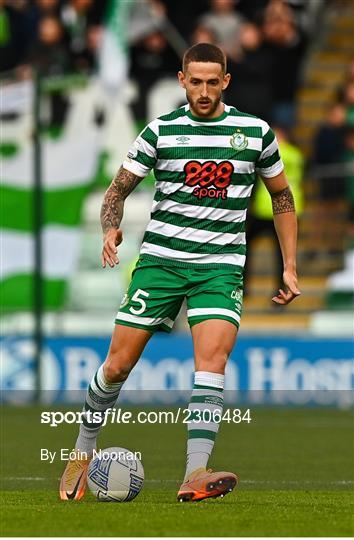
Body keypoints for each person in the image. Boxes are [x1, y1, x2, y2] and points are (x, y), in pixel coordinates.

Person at [59, 43, 300, 503]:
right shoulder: (161, 131)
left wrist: (289, 264)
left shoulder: (255, 132)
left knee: (212, 364)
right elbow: (117, 191)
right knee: (117, 366)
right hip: (161, 264)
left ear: (225, 81)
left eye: (213, 82)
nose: (204, 91)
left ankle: (194, 473)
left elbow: (283, 198)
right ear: (182, 79)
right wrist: (110, 230)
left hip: (220, 268)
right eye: (197, 81)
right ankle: (82, 451)